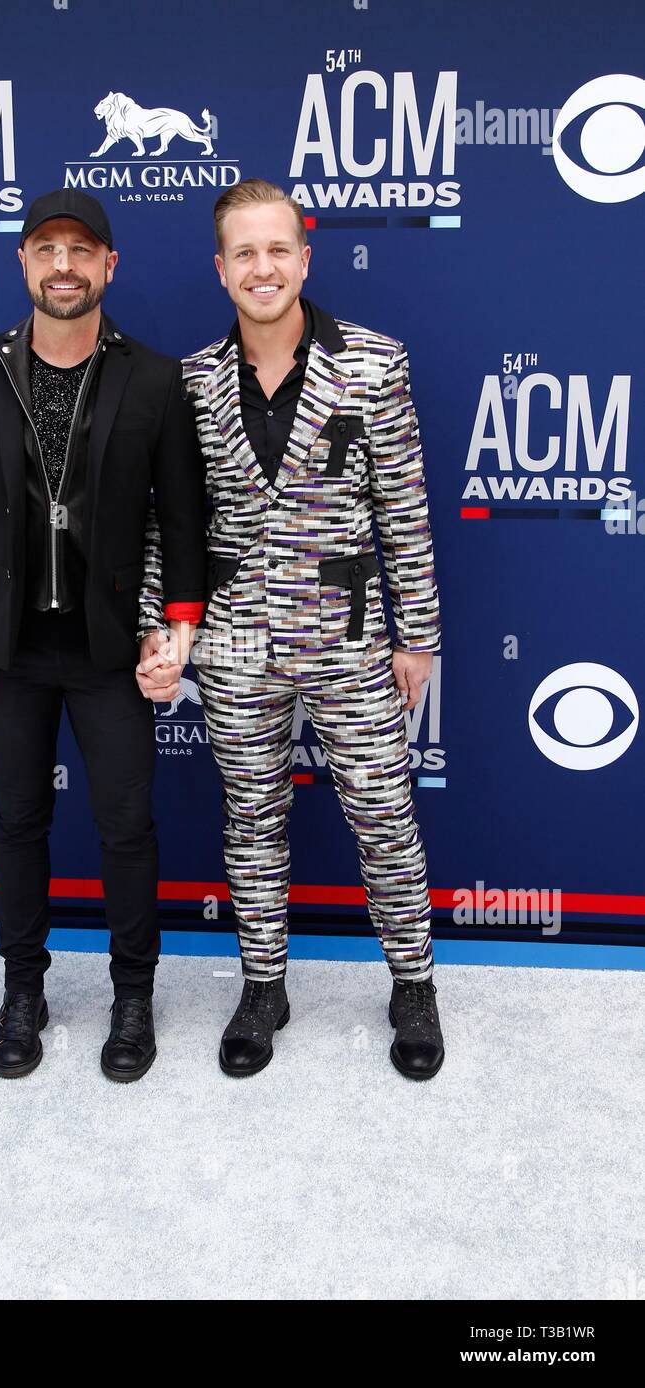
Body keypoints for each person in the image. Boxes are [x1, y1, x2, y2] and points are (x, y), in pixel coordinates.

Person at [0, 189, 206, 1083]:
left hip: (112, 648)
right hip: (7, 648)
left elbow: (186, 525)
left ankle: (132, 993)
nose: (65, 264)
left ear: (110, 267)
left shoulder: (154, 379)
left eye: (83, 250)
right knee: (20, 820)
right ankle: (24, 989)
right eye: (48, 249)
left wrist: (178, 632)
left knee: (126, 826)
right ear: (25, 265)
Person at [157, 177, 443, 1079]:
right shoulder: (193, 382)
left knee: (385, 817)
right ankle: (263, 984)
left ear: (304, 258)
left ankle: (414, 984)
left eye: (278, 249)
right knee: (251, 820)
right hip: (237, 642)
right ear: (220, 268)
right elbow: (177, 528)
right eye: (244, 252)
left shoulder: (374, 361)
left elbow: (402, 504)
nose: (263, 267)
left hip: (353, 639)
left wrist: (418, 633)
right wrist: (163, 635)